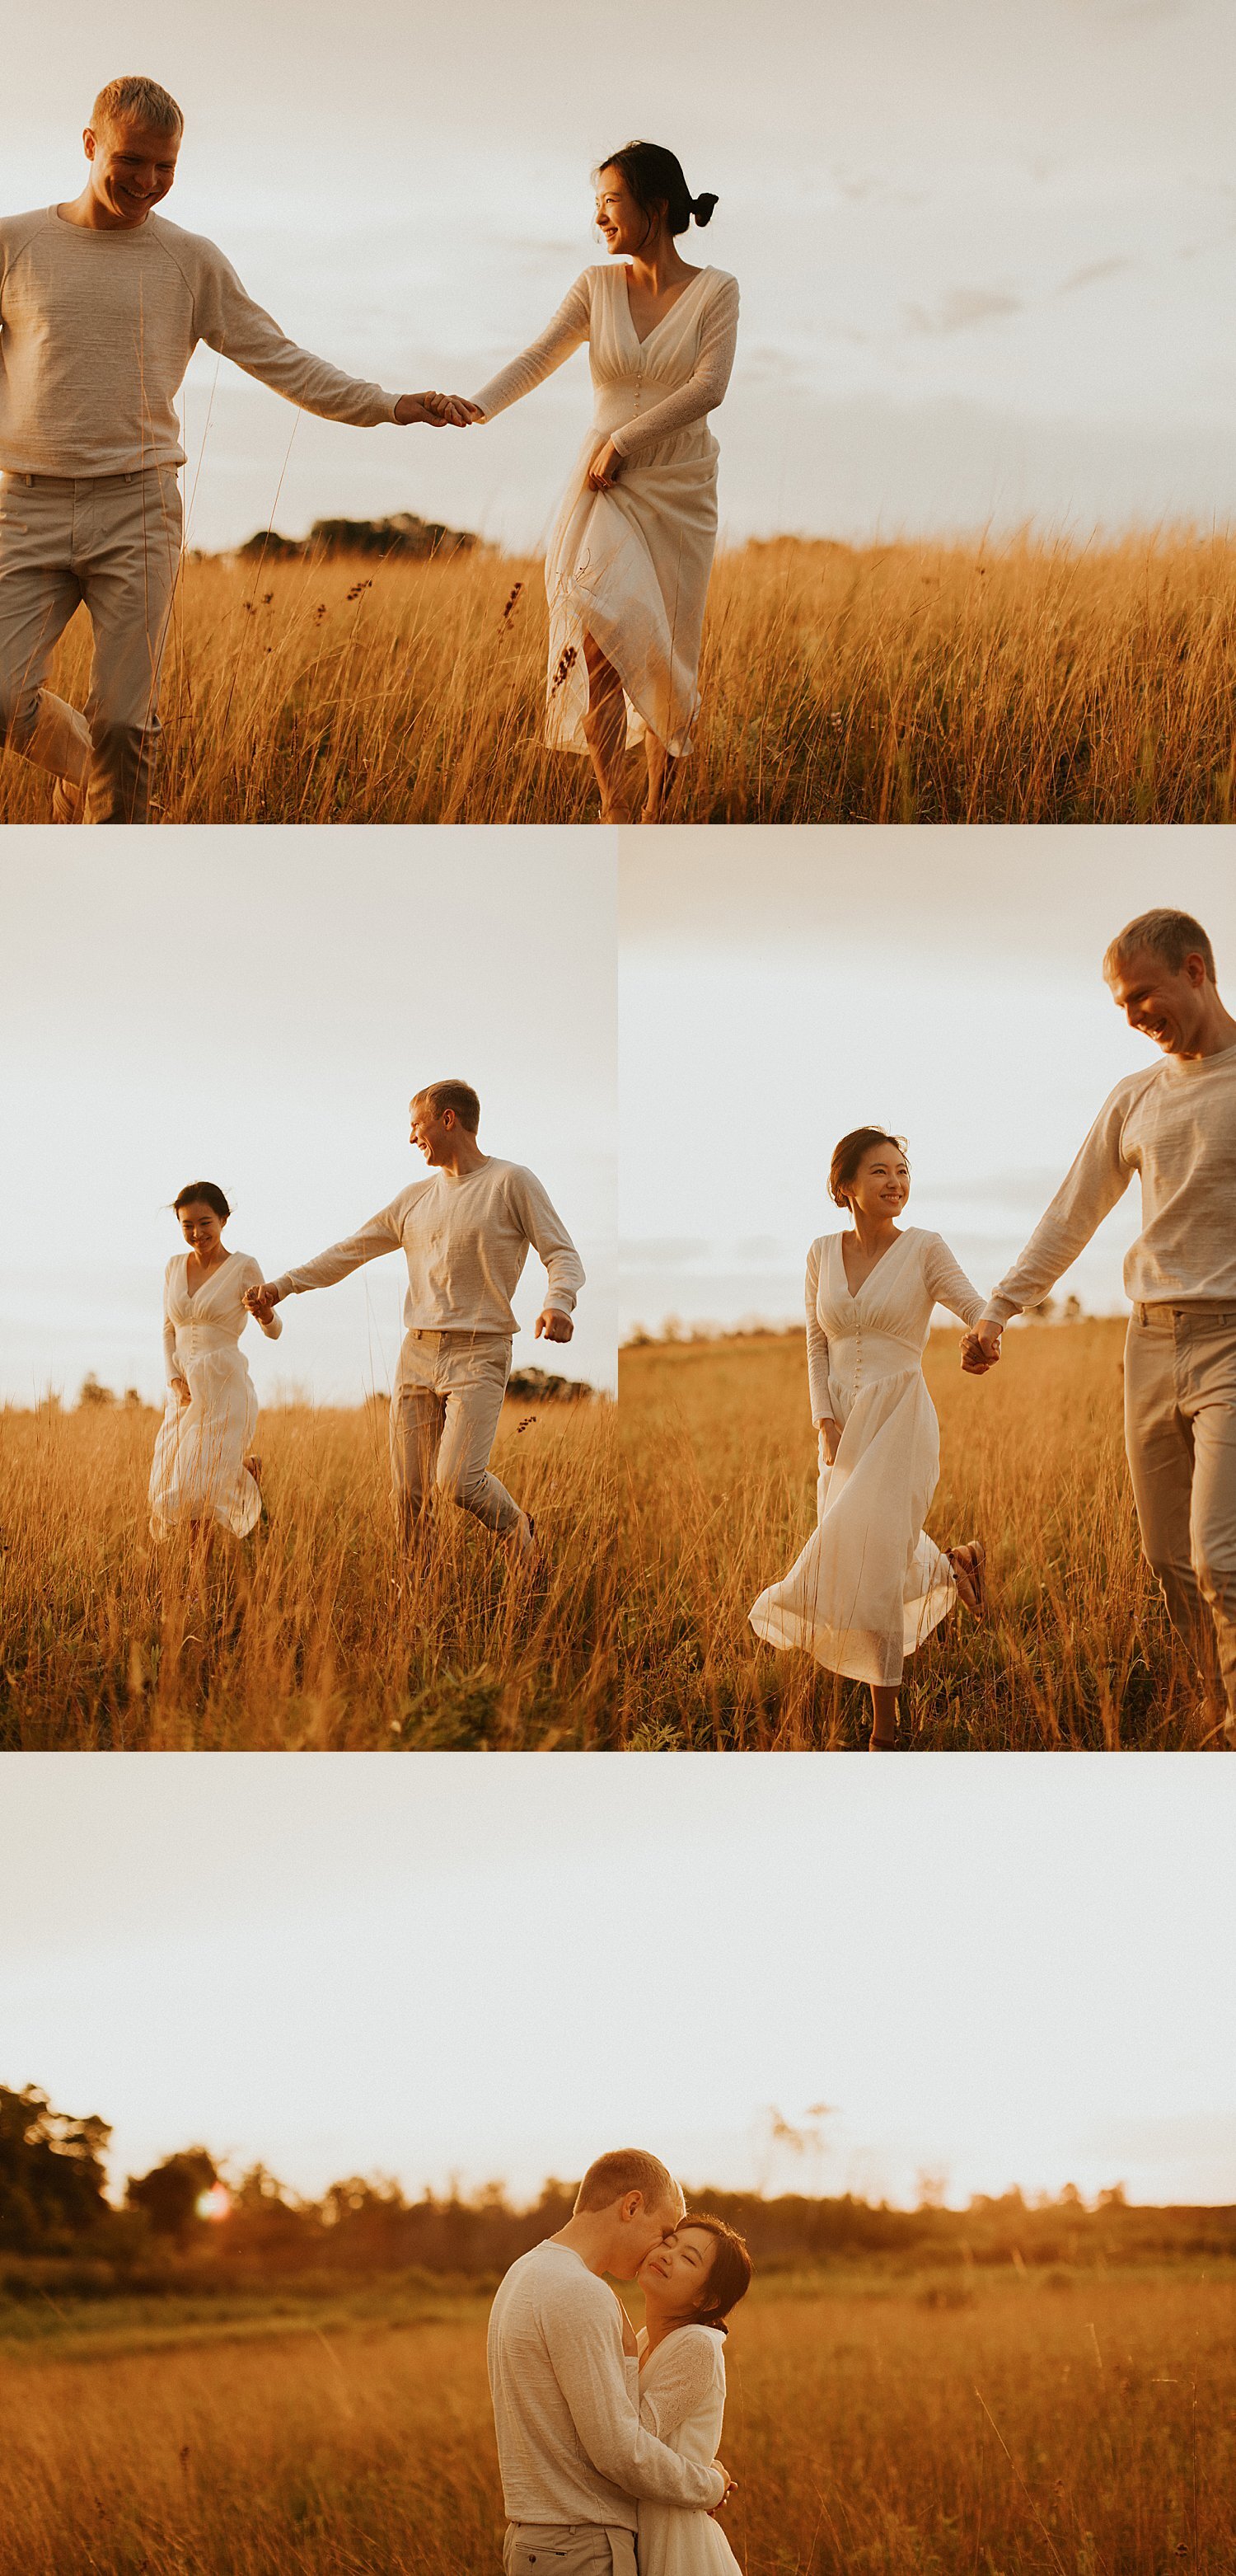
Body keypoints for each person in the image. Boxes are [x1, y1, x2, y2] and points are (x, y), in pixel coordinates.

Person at [0, 74, 471, 824]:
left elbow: (279, 358)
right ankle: (88, 775)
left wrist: (388, 404)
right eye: (132, 161)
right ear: (90, 146)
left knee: (127, 721)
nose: (149, 183)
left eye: (167, 167)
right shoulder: (15, 244)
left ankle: (113, 874)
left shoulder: (191, 260)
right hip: (23, 506)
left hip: (138, 508)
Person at [962, 907, 1236, 1741]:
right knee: (1168, 1562)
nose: (1132, 1017)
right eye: (1119, 1004)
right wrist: (1000, 1307)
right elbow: (1072, 1213)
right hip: (1149, 1341)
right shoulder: (1135, 1096)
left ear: (1195, 970)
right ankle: (1212, 1709)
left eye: (1142, 995)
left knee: (1220, 1557)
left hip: (1233, 1340)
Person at [457, 141, 739, 823]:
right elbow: (538, 356)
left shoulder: (716, 290)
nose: (600, 217)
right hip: (603, 488)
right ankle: (614, 807)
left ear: (656, 206)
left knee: (665, 652)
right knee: (599, 642)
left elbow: (709, 387)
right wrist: (476, 407)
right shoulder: (594, 287)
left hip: (676, 485)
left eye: (611, 201)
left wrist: (627, 440)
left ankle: (655, 815)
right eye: (597, 204)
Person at [245, 1080, 583, 1556]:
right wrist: (282, 1287)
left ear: (448, 1119)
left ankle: (518, 1529)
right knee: (409, 1495)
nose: (410, 1138)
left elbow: (562, 1253)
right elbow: (348, 1252)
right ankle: (417, 1594)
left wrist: (559, 1301)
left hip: (479, 1351)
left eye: (415, 1124)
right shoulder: (414, 1198)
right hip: (417, 1353)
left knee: (459, 1482)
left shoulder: (511, 1182)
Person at [749, 1128, 987, 1748]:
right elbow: (815, 1341)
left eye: (903, 1171)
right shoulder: (819, 1254)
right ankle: (953, 1564)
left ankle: (886, 1731)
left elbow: (973, 1304)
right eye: (880, 1171)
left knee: (870, 1567)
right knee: (863, 1550)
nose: (896, 1182)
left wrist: (985, 1333)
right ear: (844, 1185)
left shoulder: (925, 1249)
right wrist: (822, 1419)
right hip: (841, 1423)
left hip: (900, 1416)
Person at [488, 2149, 734, 2576]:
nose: (659, 2249)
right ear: (631, 2206)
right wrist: (710, 2484)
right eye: (663, 2233)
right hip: (580, 2543)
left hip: (536, 2541)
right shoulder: (581, 2291)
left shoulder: (523, 2272)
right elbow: (619, 2451)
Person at [148, 1181, 282, 1541]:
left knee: (196, 1491)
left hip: (224, 1386)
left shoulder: (243, 1267)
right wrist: (173, 1379)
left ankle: (196, 1590)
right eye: (187, 1225)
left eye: (205, 1222)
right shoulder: (173, 1267)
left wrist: (265, 1311)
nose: (196, 1233)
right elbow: (167, 1330)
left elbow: (274, 1331)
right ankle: (245, 1468)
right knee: (171, 1478)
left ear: (223, 1219)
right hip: (184, 1392)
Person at [632, 2215, 751, 2576]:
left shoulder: (697, 2344)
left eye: (689, 2258)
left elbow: (631, 2440)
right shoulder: (642, 2339)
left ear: (707, 2297)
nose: (667, 2255)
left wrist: (711, 2485)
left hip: (675, 2541)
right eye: (669, 2244)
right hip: (642, 2523)